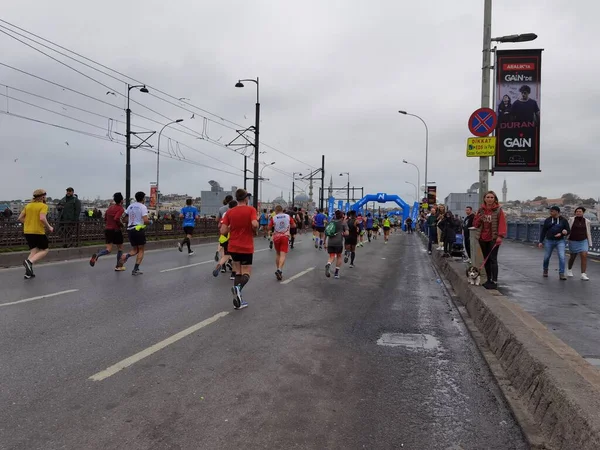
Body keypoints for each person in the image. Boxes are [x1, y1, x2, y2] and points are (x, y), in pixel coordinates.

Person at [220, 189, 258, 310]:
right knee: (246, 272)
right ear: (246, 198)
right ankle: (238, 289)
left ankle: (239, 299)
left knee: (237, 271)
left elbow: (223, 231)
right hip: (246, 246)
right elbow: (255, 224)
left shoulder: (230, 212)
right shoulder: (251, 209)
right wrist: (254, 228)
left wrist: (232, 227)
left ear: (236, 198)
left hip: (233, 246)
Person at [473, 191, 507, 289]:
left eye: (492, 197)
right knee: (486, 259)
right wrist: (479, 218)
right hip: (482, 238)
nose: (490, 199)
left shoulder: (498, 210)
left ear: (495, 199)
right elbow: (475, 224)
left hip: (494, 238)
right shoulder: (481, 210)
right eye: (488, 197)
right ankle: (488, 279)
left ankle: (494, 281)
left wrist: (500, 236)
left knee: (493, 259)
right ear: (484, 198)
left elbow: (502, 223)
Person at [18, 189, 53, 279]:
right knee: (45, 250)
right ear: (42, 196)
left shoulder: (28, 205)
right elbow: (42, 218)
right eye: (44, 195)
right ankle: (29, 262)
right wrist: (49, 227)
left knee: (34, 251)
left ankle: (28, 273)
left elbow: (20, 218)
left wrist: (29, 223)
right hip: (38, 231)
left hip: (27, 231)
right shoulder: (43, 206)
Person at [89, 192, 126, 271]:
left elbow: (105, 218)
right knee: (120, 248)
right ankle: (118, 266)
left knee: (108, 249)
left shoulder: (109, 208)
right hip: (116, 230)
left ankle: (97, 255)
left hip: (108, 229)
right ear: (121, 200)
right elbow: (116, 218)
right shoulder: (120, 209)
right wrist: (122, 225)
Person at [119, 191, 150, 276]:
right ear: (143, 198)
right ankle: (135, 269)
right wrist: (150, 222)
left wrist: (127, 222)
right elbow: (145, 220)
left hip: (130, 229)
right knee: (141, 250)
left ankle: (126, 256)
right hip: (138, 229)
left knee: (135, 249)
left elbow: (122, 217)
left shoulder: (130, 206)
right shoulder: (143, 207)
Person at [538, 205, 570, 280]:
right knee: (546, 257)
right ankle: (545, 270)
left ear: (557, 212)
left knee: (562, 257)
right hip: (549, 240)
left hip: (560, 241)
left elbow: (568, 230)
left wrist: (563, 233)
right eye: (550, 211)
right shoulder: (548, 220)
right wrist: (540, 241)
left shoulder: (563, 220)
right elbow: (544, 231)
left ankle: (561, 273)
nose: (550, 212)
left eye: (552, 211)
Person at [269, 205, 296, 280]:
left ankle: (278, 269)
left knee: (278, 254)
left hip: (276, 237)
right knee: (283, 254)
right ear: (282, 210)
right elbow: (294, 225)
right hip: (285, 237)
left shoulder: (274, 218)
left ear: (276, 211)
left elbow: (269, 227)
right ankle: (279, 270)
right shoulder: (288, 217)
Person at [213, 200, 237, 279]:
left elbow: (222, 223)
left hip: (224, 236)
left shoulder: (225, 213)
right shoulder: (236, 213)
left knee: (226, 254)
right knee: (235, 257)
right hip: (233, 237)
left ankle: (219, 265)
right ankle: (233, 274)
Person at [567, 207, 592, 281]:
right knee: (573, 257)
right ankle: (569, 269)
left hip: (583, 241)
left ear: (583, 212)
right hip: (573, 240)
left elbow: (588, 232)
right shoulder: (571, 220)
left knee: (584, 255)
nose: (578, 212)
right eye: (577, 211)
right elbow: (567, 229)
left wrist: (589, 242)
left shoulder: (587, 221)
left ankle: (583, 274)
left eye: (580, 211)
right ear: (575, 212)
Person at [325, 210, 349, 279]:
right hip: (338, 242)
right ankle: (336, 273)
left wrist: (324, 242)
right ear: (342, 216)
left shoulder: (331, 222)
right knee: (339, 256)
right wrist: (343, 233)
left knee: (331, 256)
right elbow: (347, 233)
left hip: (330, 242)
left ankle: (328, 264)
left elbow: (326, 232)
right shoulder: (343, 223)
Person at [215, 195, 234, 261]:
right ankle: (230, 260)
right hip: (230, 228)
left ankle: (218, 251)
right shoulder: (233, 208)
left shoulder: (221, 209)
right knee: (230, 245)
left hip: (223, 227)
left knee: (222, 243)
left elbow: (217, 219)